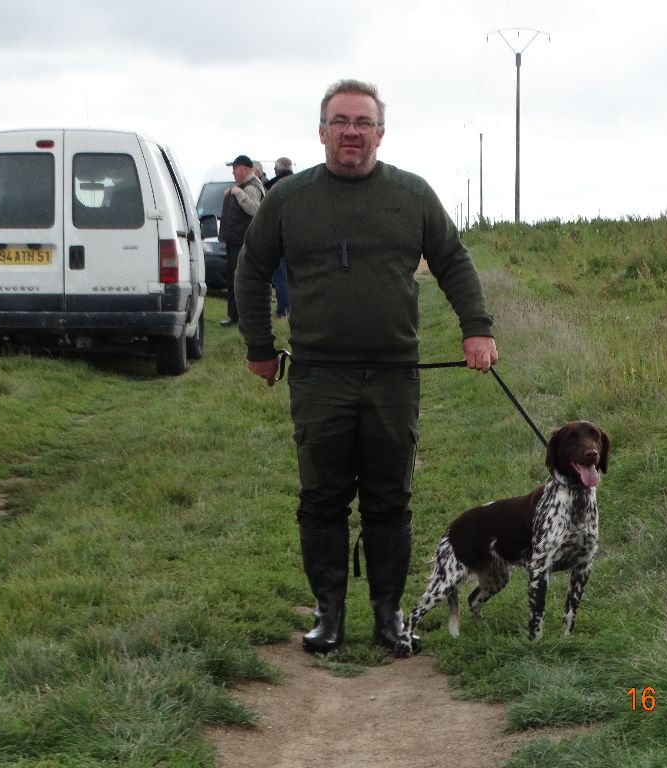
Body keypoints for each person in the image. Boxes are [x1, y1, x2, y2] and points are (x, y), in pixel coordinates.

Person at [235, 79, 498, 654]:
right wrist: (259, 345)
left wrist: (476, 328)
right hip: (318, 375)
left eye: (362, 122)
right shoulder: (289, 198)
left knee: (389, 498)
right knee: (322, 497)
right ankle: (327, 613)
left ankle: (387, 613)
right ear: (322, 130)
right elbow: (253, 269)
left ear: (380, 132)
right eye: (340, 121)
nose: (351, 131)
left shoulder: (411, 194)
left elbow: (453, 260)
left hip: (392, 374)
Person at [219, 154, 265, 328]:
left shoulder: (252, 187)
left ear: (244, 169)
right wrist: (233, 191)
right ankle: (234, 316)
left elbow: (255, 209)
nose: (233, 172)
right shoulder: (242, 185)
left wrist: (238, 194)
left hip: (243, 242)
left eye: (235, 169)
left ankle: (240, 318)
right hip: (235, 241)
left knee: (240, 281)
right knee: (233, 280)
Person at [265, 156, 295, 319]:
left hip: (282, 237)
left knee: (281, 276)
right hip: (298, 237)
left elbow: (272, 214)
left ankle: (283, 310)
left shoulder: (276, 187)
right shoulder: (301, 184)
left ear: (276, 170)